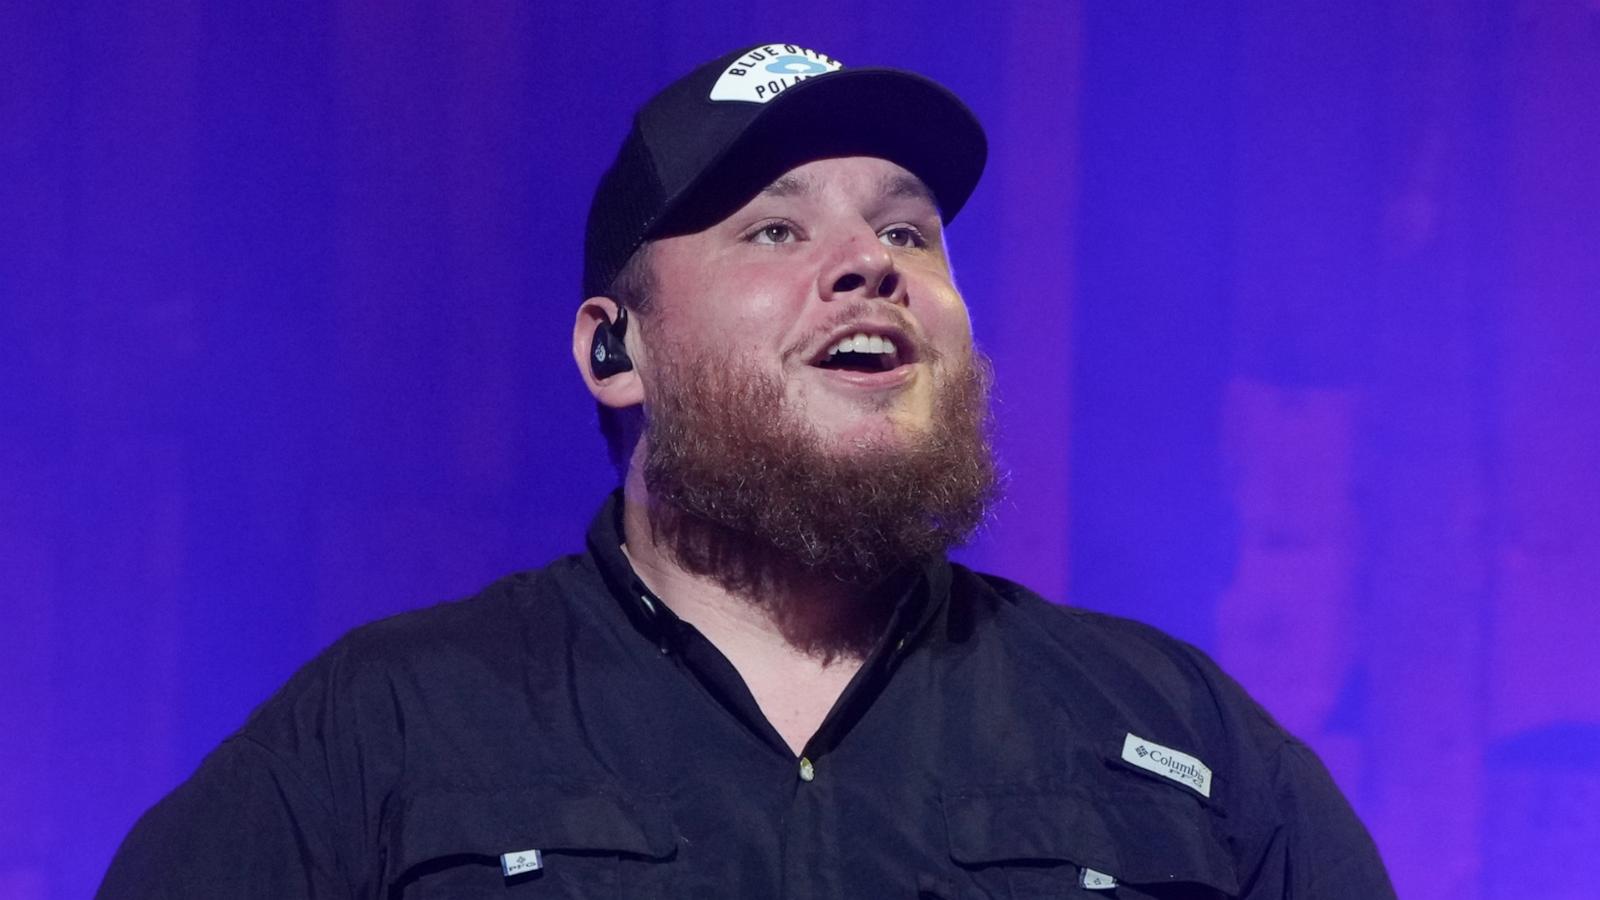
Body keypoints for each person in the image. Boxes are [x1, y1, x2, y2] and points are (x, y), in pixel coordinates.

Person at [99, 43, 1394, 898]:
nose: (872, 262)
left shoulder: (1177, 737)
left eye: (907, 229)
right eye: (776, 226)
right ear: (616, 348)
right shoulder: (386, 729)